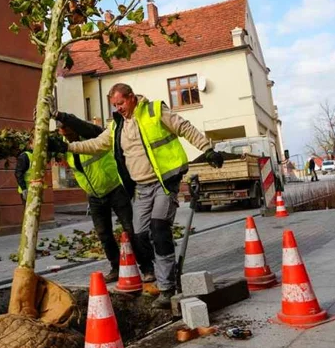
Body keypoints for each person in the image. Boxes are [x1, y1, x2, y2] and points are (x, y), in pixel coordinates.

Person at [58, 83, 224, 309]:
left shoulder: (155, 110)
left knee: (159, 229)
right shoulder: (117, 125)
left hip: (165, 182)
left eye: (121, 103)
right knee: (139, 234)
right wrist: (67, 147)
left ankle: (167, 288)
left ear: (132, 97)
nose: (119, 108)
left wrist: (207, 149)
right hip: (141, 188)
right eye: (114, 105)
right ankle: (167, 267)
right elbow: (97, 144)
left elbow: (184, 127)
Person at [53, 110, 155, 284]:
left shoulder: (93, 135)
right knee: (104, 234)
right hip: (94, 195)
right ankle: (116, 268)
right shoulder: (64, 145)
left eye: (69, 132)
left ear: (75, 129)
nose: (67, 137)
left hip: (115, 188)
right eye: (63, 133)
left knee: (131, 230)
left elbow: (83, 126)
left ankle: (147, 268)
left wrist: (59, 115)